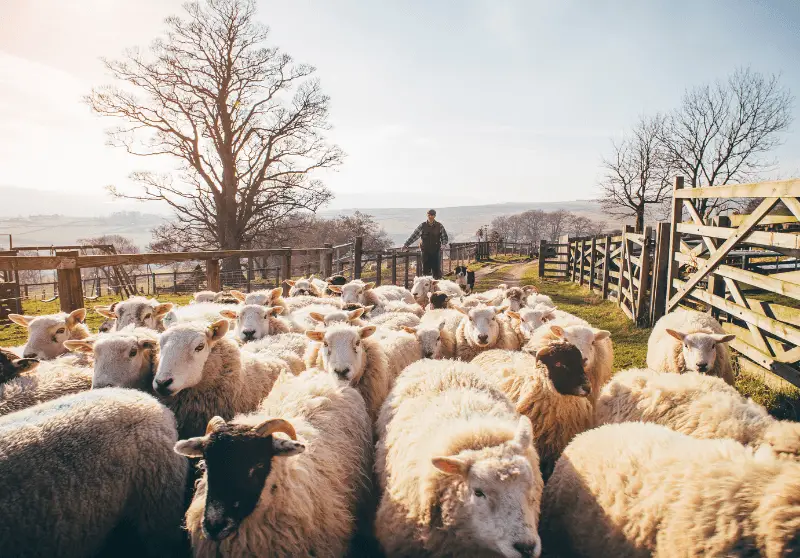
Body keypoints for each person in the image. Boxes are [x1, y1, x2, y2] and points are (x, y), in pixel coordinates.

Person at [403, 209, 449, 279]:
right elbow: (414, 236)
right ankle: (427, 288)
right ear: (427, 215)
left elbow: (444, 237)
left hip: (436, 251)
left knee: (436, 270)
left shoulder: (439, 226)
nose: (430, 217)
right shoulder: (422, 226)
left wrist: (443, 244)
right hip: (425, 251)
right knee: (425, 271)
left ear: (435, 216)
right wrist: (406, 244)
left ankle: (436, 286)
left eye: (432, 215)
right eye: (429, 215)